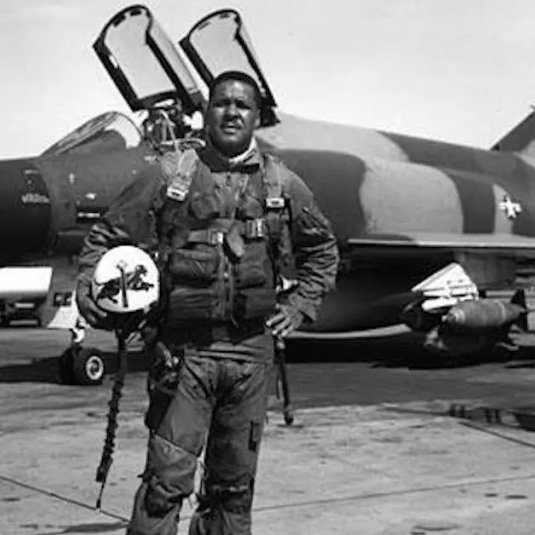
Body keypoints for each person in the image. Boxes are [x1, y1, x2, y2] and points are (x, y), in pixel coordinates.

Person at [76, 70, 339, 535]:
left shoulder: (281, 184)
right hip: (184, 357)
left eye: (242, 105)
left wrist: (300, 304)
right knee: (164, 486)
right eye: (221, 103)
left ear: (257, 117)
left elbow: (322, 250)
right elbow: (106, 237)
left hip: (250, 358)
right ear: (206, 111)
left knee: (232, 491)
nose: (231, 112)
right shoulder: (169, 174)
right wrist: (88, 288)